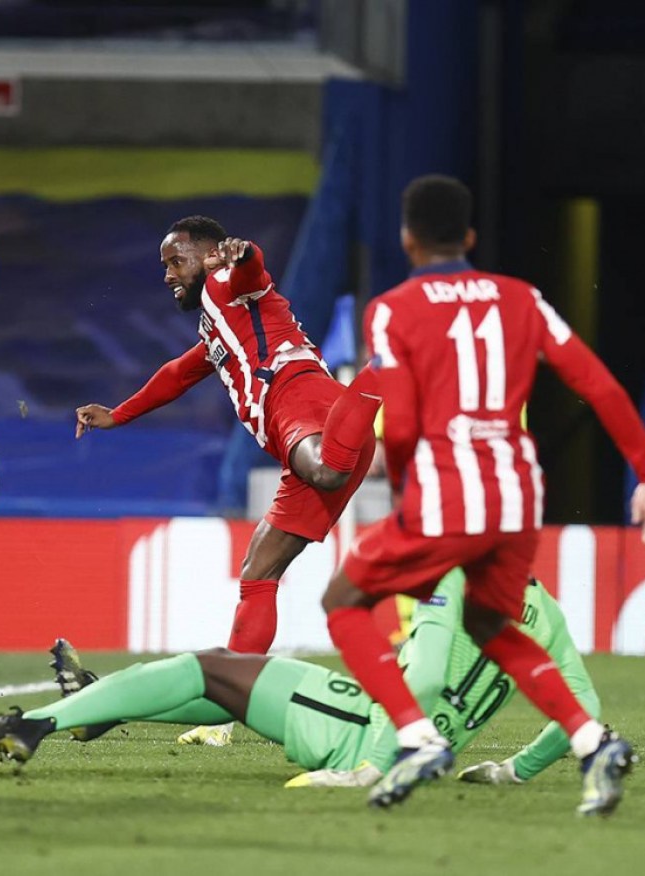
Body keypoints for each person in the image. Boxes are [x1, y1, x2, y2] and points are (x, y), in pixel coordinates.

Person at [320, 174, 645, 815]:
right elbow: (600, 385)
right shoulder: (522, 298)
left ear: (407, 239)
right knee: (489, 623)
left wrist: (409, 482)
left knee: (344, 600)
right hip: (520, 497)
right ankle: (590, 742)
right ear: (469, 236)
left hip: (448, 494)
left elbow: (405, 419)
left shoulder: (390, 310)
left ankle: (416, 738)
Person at [74, 218, 381, 745]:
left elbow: (253, 273)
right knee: (258, 573)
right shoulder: (216, 325)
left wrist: (243, 255)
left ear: (209, 256)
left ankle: (386, 372)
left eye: (177, 261)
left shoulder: (225, 283)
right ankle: (232, 707)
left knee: (326, 470)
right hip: (314, 433)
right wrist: (119, 414)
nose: (169, 274)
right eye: (165, 265)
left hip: (306, 406)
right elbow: (179, 373)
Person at [0, 571, 598, 793]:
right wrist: (515, 771)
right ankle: (99, 709)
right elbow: (584, 708)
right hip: (377, 723)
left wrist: (373, 764)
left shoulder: (454, 578)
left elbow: (426, 675)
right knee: (221, 683)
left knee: (209, 667)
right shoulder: (547, 612)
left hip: (361, 731)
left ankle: (34, 726)